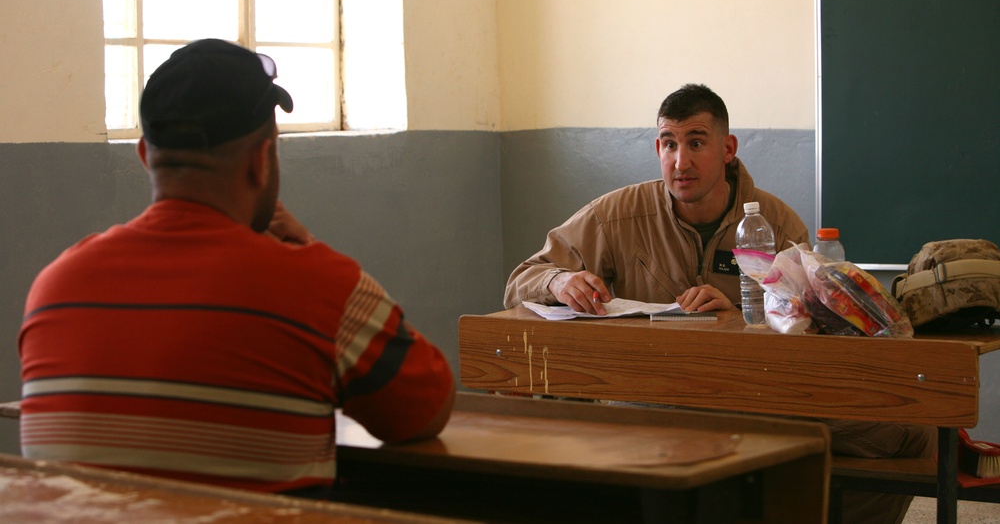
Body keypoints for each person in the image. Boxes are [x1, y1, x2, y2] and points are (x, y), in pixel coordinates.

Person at [18, 39, 455, 497]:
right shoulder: (319, 286)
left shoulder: (54, 286)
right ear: (260, 162)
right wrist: (307, 252)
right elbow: (425, 411)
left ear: (146, 155)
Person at [504, 83, 933, 524]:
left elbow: (812, 325)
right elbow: (522, 278)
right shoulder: (616, 215)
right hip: (654, 394)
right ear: (657, 147)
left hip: (759, 392)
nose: (680, 161)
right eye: (669, 144)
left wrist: (736, 312)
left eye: (696, 143)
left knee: (911, 434)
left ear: (727, 148)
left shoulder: (776, 221)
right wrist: (559, 281)